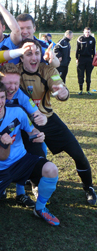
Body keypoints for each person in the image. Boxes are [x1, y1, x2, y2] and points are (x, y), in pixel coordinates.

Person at [19, 39, 96, 206]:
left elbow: (61, 88)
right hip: (26, 125)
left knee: (78, 154)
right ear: (21, 57)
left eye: (37, 53)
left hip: (48, 119)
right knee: (36, 159)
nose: (34, 57)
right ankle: (35, 184)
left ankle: (88, 187)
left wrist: (63, 93)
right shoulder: (13, 72)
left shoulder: (47, 70)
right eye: (29, 53)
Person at [0, 79, 60, 226]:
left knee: (51, 169)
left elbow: (31, 130)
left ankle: (39, 208)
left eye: (2, 97)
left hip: (22, 160)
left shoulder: (17, 112)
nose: (0, 102)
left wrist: (38, 135)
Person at [76, 27, 96, 95]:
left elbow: (94, 50)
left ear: (90, 32)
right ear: (83, 32)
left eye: (88, 32)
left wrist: (94, 59)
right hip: (81, 59)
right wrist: (76, 58)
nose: (87, 33)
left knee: (88, 75)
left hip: (89, 59)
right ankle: (80, 89)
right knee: (80, 75)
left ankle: (88, 90)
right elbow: (77, 49)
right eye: (86, 32)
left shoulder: (92, 39)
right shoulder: (80, 38)